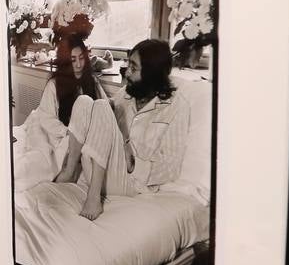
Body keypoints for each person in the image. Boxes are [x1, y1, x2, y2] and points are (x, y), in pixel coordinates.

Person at [53, 38, 190, 220]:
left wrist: (134, 165)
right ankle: (69, 172)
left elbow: (171, 167)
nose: (127, 74)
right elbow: (105, 116)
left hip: (131, 182)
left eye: (134, 68)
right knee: (85, 101)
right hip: (100, 169)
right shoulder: (127, 93)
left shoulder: (176, 107)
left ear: (152, 74)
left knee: (101, 105)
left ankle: (93, 199)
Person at [12, 18, 109, 192]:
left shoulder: (91, 82)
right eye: (73, 60)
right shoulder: (55, 84)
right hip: (47, 130)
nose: (78, 65)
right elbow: (45, 118)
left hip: (71, 138)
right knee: (41, 160)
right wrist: (69, 134)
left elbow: (105, 108)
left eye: (81, 58)